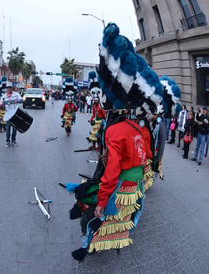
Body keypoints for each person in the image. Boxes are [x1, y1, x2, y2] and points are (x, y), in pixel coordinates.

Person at [70, 22, 162, 262]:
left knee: (98, 214)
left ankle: (94, 243)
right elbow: (149, 156)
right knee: (127, 220)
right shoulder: (138, 128)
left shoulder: (115, 131)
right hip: (137, 187)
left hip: (121, 188)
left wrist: (101, 201)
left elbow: (111, 172)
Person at [0, 82, 23, 147]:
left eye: (10, 88)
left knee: (15, 128)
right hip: (8, 114)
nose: (9, 89)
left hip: (15, 114)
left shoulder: (16, 94)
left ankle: (13, 140)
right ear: (6, 89)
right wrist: (2, 105)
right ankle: (7, 141)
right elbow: (0, 104)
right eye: (8, 88)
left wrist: (17, 101)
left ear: (12, 88)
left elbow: (21, 100)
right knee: (8, 129)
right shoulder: (4, 96)